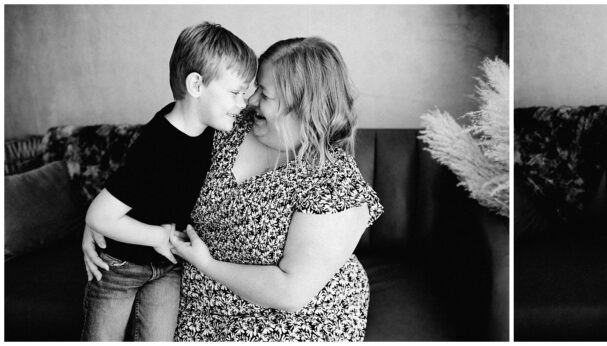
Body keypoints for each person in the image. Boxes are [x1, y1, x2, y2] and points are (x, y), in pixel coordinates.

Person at [167, 37, 383, 341]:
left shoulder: (334, 181)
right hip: (203, 305)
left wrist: (208, 265)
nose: (250, 99)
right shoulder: (229, 125)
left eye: (264, 94)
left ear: (301, 106)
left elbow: (291, 292)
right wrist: (106, 216)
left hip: (297, 319)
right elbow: (155, 156)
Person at [80, 21, 257, 341]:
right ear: (196, 85)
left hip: (167, 268)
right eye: (235, 92)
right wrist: (157, 235)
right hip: (121, 265)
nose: (242, 104)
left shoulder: (207, 125)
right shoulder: (158, 144)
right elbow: (99, 216)